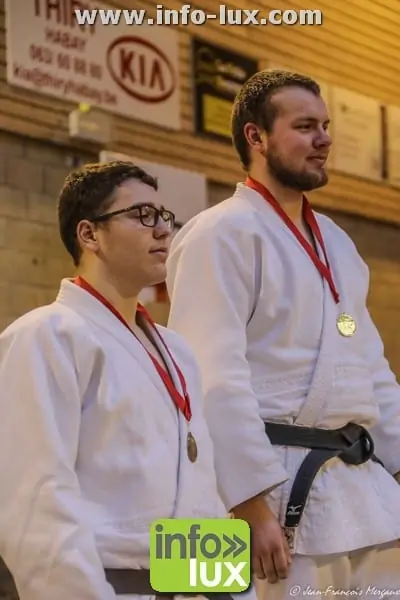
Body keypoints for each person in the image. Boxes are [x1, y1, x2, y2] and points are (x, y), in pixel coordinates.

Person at [165, 70, 400, 597]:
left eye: (326, 126)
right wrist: (248, 503)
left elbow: (372, 370)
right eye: (305, 126)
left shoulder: (337, 243)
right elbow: (211, 377)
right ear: (257, 136)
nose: (324, 139)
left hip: (356, 490)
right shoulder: (217, 233)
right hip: (258, 493)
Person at [0, 161, 239, 600]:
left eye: (164, 216)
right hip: (107, 585)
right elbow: (34, 500)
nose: (163, 230)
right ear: (89, 234)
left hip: (191, 585)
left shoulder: (177, 351)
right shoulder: (46, 335)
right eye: (143, 215)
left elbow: (199, 491)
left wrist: (229, 590)